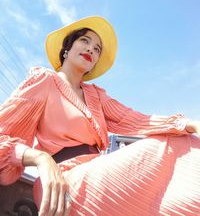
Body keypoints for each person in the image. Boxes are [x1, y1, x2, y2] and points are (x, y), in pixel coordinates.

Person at [0, 16, 200, 216]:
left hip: (96, 170)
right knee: (158, 147)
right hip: (62, 180)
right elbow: (3, 137)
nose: (91, 50)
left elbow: (134, 119)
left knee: (178, 141)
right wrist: (41, 159)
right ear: (66, 49)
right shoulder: (44, 80)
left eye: (97, 49)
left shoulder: (96, 95)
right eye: (85, 41)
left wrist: (189, 124)